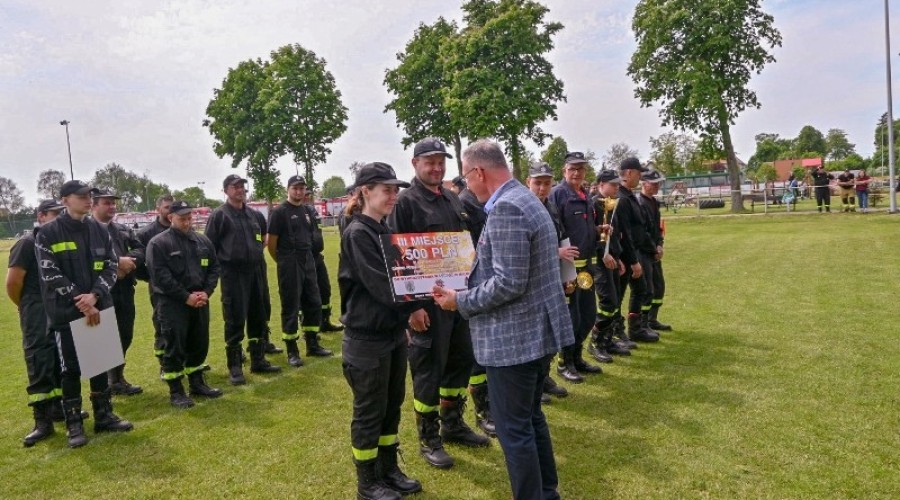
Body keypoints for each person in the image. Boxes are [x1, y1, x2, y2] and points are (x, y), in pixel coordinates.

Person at [433, 140, 574, 500]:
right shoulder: (524, 199)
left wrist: (459, 301)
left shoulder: (509, 207)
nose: (466, 185)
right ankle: (547, 491)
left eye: (466, 177)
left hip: (515, 339)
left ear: (478, 172)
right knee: (530, 420)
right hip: (535, 334)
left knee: (514, 429)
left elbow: (509, 282)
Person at [387, 137, 490, 469]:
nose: (436, 167)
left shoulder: (451, 198)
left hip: (457, 300)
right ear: (414, 163)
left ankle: (453, 423)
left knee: (459, 362)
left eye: (440, 161)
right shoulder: (405, 203)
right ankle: (429, 438)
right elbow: (395, 259)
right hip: (426, 305)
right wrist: (410, 309)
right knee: (428, 370)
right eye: (429, 161)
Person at [339, 162, 422, 499]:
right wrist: (418, 304)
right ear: (365, 192)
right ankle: (367, 482)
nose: (393, 196)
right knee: (369, 412)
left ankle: (388, 469)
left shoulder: (382, 231)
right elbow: (385, 287)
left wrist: (404, 319)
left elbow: (402, 279)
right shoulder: (358, 233)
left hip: (389, 336)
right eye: (386, 189)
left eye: (395, 189)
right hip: (366, 340)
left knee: (391, 406)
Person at [35, 180, 133, 448]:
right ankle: (74, 424)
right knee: (71, 370)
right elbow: (50, 273)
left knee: (100, 363)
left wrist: (95, 296)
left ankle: (104, 415)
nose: (87, 200)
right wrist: (82, 300)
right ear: (65, 200)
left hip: (97, 306)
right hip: (66, 312)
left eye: (89, 195)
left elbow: (112, 266)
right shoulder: (48, 233)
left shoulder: (100, 230)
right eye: (81, 196)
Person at [205, 174, 281, 385]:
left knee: (258, 314)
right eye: (235, 186)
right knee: (235, 317)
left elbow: (263, 239)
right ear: (226, 190)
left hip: (256, 270)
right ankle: (235, 366)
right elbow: (209, 247)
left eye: (242, 186)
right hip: (232, 273)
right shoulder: (219, 216)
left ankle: (258, 359)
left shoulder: (254, 215)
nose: (240, 190)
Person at [147, 201, 223, 408]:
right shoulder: (158, 243)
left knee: (199, 343)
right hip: (173, 304)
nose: (187, 222)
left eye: (189, 217)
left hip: (200, 301)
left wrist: (206, 292)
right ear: (171, 217)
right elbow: (161, 276)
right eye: (182, 218)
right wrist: (185, 297)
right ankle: (176, 391)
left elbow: (214, 268)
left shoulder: (202, 241)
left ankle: (197, 383)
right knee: (175, 345)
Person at [7, 199, 67, 447]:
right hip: (35, 307)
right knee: (39, 359)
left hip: (57, 305)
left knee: (58, 358)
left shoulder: (56, 242)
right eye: (55, 214)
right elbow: (13, 282)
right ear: (41, 216)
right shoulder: (27, 243)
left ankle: (58, 409)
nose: (59, 218)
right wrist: (25, 306)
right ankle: (42, 421)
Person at [548, 151, 603, 383]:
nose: (577, 172)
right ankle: (564, 363)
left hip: (586, 268)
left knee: (588, 315)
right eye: (573, 169)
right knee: (571, 319)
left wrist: (599, 231)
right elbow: (554, 232)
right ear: (564, 171)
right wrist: (563, 270)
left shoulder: (584, 195)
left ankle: (578, 357)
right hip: (569, 269)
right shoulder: (557, 195)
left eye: (581, 169)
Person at [267, 175, 332, 368]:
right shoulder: (279, 212)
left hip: (308, 258)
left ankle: (312, 343)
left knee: (313, 300)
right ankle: (292, 350)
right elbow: (271, 243)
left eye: (302, 188)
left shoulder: (306, 211)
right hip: (289, 260)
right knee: (291, 304)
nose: (299, 192)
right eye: (295, 188)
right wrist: (283, 262)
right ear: (288, 189)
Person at [525, 162, 572, 402]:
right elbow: (525, 249)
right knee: (537, 335)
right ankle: (535, 384)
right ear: (528, 183)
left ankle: (544, 377)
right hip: (534, 282)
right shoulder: (523, 209)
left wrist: (567, 272)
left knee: (551, 333)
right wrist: (557, 253)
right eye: (538, 183)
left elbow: (560, 235)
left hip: (554, 277)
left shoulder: (551, 206)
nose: (543, 188)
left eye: (546, 183)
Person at [91, 189, 146, 396]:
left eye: (114, 203)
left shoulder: (123, 229)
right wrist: (116, 264)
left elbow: (141, 249)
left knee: (125, 334)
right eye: (107, 203)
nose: (112, 207)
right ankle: (102, 386)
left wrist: (129, 262)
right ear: (94, 205)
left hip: (124, 290)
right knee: (102, 339)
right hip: (100, 292)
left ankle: (116, 378)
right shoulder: (87, 231)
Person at [586, 171, 634, 362]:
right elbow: (590, 235)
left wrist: (617, 256)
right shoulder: (593, 206)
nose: (616, 188)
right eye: (612, 185)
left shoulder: (612, 205)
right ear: (601, 185)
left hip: (612, 259)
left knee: (615, 303)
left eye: (617, 185)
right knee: (608, 303)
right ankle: (595, 342)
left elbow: (614, 236)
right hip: (599, 261)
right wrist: (603, 254)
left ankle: (607, 341)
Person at [616, 158, 660, 343]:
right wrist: (633, 260)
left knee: (641, 290)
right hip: (626, 254)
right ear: (628, 173)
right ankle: (618, 331)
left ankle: (635, 328)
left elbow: (640, 227)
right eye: (638, 172)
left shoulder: (629, 195)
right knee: (618, 295)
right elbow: (626, 232)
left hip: (636, 251)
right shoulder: (622, 197)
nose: (640, 176)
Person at [137, 194, 174, 366]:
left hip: (183, 284)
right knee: (161, 321)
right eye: (166, 207)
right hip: (159, 287)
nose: (170, 211)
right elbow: (137, 260)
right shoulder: (146, 234)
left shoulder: (181, 228)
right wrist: (151, 278)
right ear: (157, 209)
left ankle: (185, 357)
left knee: (184, 322)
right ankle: (164, 361)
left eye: (172, 207)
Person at [305, 191, 344, 333]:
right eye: (305, 195)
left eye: (309, 195)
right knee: (308, 295)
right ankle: (309, 329)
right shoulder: (293, 212)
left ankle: (325, 321)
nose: (308, 197)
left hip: (317, 256)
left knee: (325, 289)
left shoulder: (312, 211)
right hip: (304, 259)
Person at [638, 170, 672, 331]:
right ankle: (642, 324)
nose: (657, 186)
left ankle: (652, 319)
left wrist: (660, 244)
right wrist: (654, 248)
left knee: (659, 286)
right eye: (654, 183)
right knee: (647, 289)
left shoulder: (654, 203)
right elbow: (642, 232)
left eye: (659, 183)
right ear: (644, 184)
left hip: (654, 251)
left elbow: (657, 228)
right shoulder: (640, 203)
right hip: (644, 252)